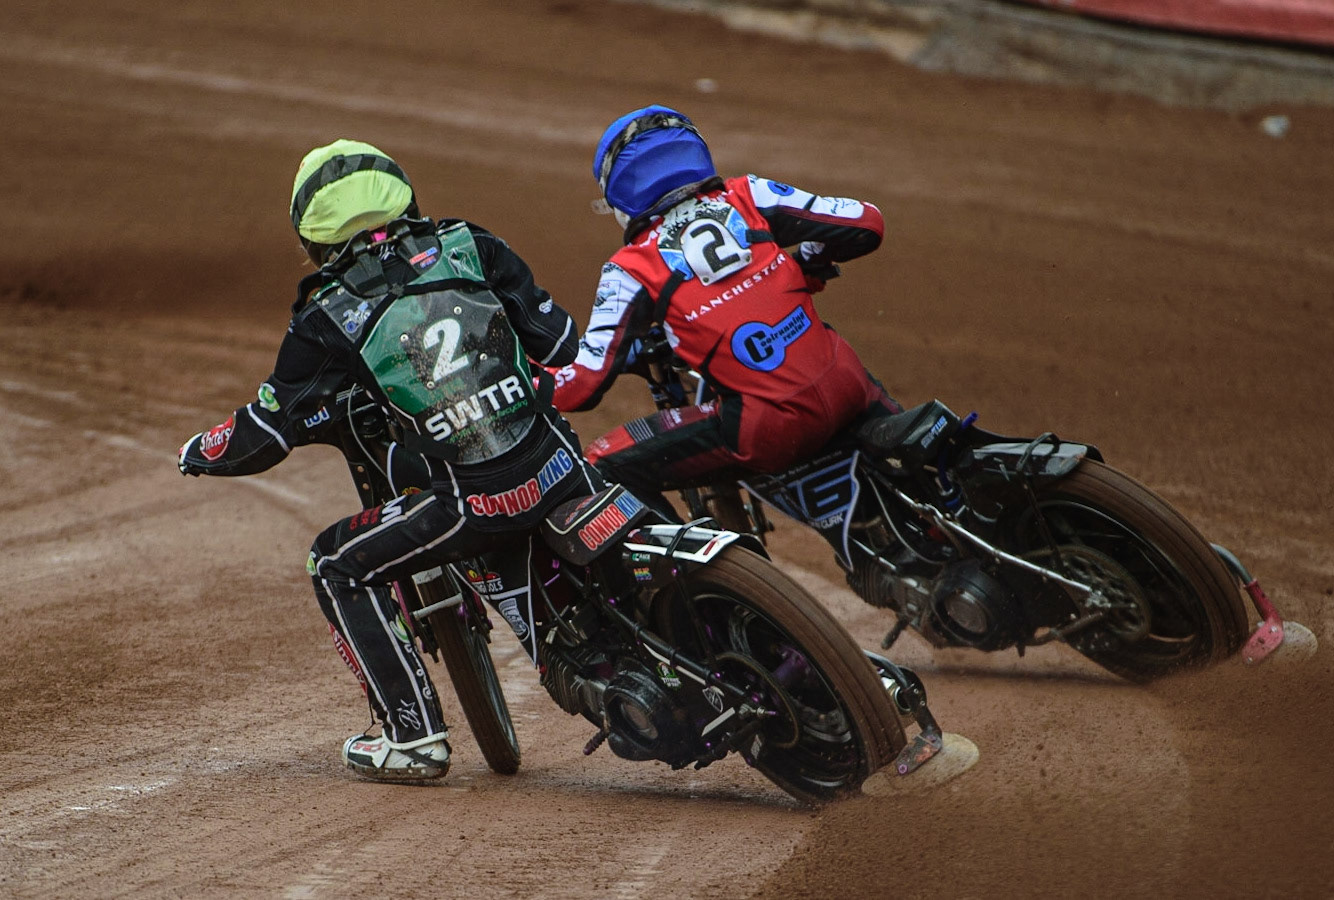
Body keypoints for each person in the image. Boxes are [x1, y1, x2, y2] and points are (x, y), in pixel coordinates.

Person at [177, 139, 603, 782]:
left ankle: (414, 738)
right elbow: (564, 342)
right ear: (402, 195)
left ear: (313, 236)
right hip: (560, 463)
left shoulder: (327, 314)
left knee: (334, 563)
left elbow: (262, 434)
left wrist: (197, 453)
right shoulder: (471, 242)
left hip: (472, 501)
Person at [548, 105, 900, 518]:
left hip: (769, 428)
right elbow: (867, 223)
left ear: (619, 191)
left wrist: (528, 383)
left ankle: (701, 573)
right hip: (848, 384)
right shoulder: (749, 194)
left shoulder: (631, 267)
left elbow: (584, 385)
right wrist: (810, 261)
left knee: (605, 463)